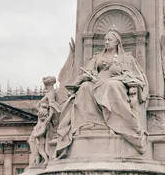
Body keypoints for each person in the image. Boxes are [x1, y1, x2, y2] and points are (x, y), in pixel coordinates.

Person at [55, 28, 149, 158]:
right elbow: (86, 71)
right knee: (85, 88)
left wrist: (118, 75)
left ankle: (119, 123)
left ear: (117, 42)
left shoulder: (125, 58)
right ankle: (90, 123)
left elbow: (133, 75)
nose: (106, 42)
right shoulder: (98, 57)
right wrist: (89, 75)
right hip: (97, 82)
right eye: (105, 40)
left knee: (111, 85)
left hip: (117, 82)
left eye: (109, 40)